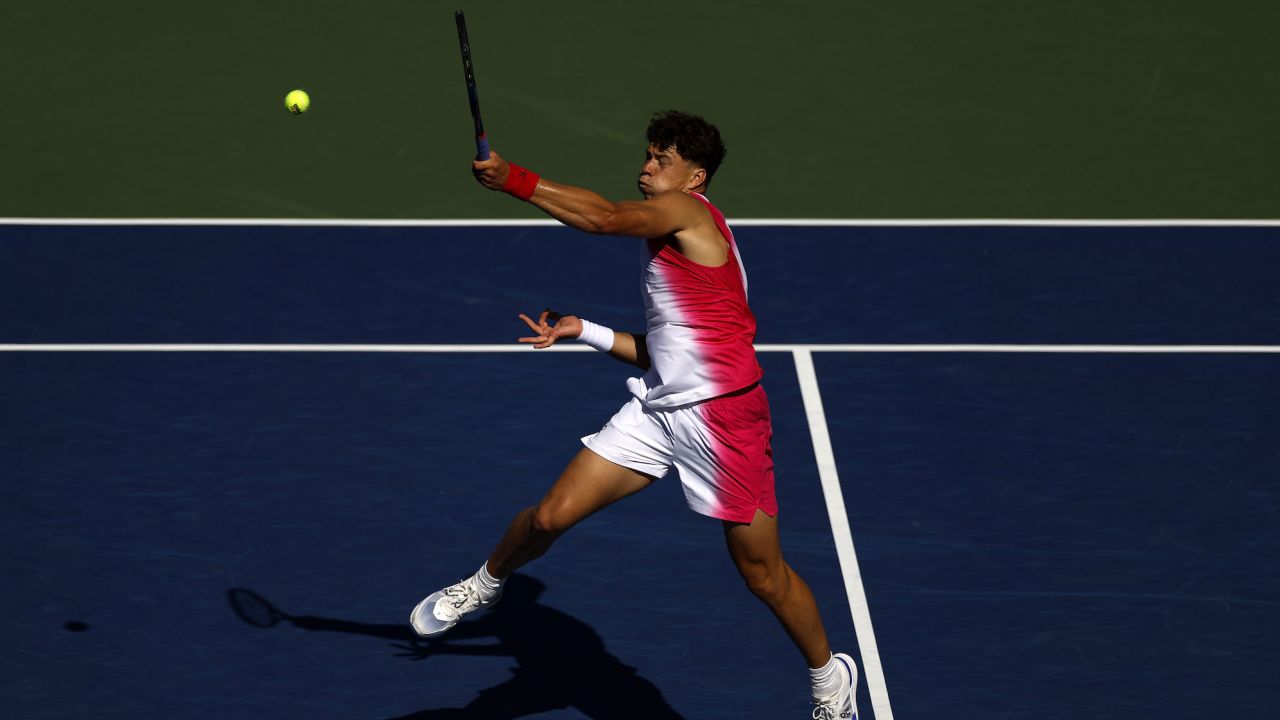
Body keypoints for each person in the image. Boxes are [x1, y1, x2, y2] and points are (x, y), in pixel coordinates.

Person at [411, 110, 857, 719]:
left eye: (662, 160)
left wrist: (512, 179)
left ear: (695, 177)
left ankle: (830, 678)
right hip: (659, 409)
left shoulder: (690, 213)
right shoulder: (671, 244)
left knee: (763, 576)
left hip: (725, 423)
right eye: (647, 156)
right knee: (548, 517)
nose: (646, 168)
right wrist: (587, 331)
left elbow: (604, 218)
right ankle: (485, 584)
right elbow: (665, 352)